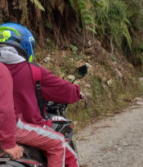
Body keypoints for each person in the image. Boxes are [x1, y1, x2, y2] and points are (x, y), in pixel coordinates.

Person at [0, 23, 84, 167]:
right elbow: (64, 90)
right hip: (17, 126)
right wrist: (77, 92)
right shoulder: (32, 71)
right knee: (59, 144)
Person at [0, 62, 24, 160]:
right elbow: (5, 110)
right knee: (58, 143)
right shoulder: (1, 70)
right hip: (13, 127)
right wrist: (9, 144)